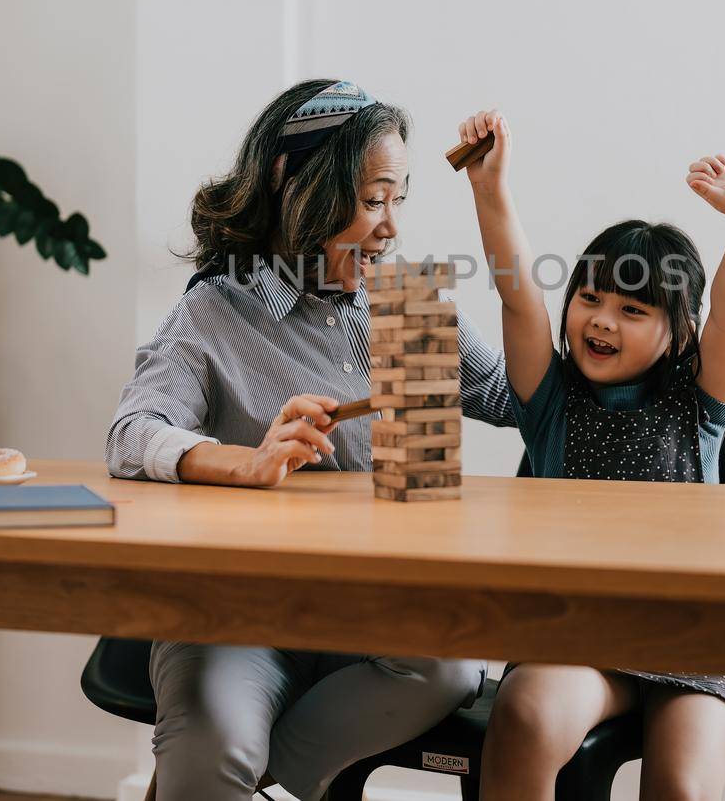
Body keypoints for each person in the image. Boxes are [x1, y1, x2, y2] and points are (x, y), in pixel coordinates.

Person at [105, 81, 516, 801]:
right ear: (298, 190)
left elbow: (520, 400)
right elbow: (132, 433)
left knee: (445, 665)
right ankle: (232, 763)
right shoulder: (215, 308)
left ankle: (264, 775)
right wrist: (245, 461)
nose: (390, 227)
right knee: (217, 743)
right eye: (372, 199)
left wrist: (494, 202)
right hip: (236, 613)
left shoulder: (407, 304)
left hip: (370, 611)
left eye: (400, 199)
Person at [456, 108, 725, 800]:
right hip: (580, 633)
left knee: (681, 785)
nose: (600, 319)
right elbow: (517, 298)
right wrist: (490, 191)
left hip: (696, 639)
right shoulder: (552, 399)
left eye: (633, 311)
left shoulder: (699, 402)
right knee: (526, 713)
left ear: (678, 332)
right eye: (590, 298)